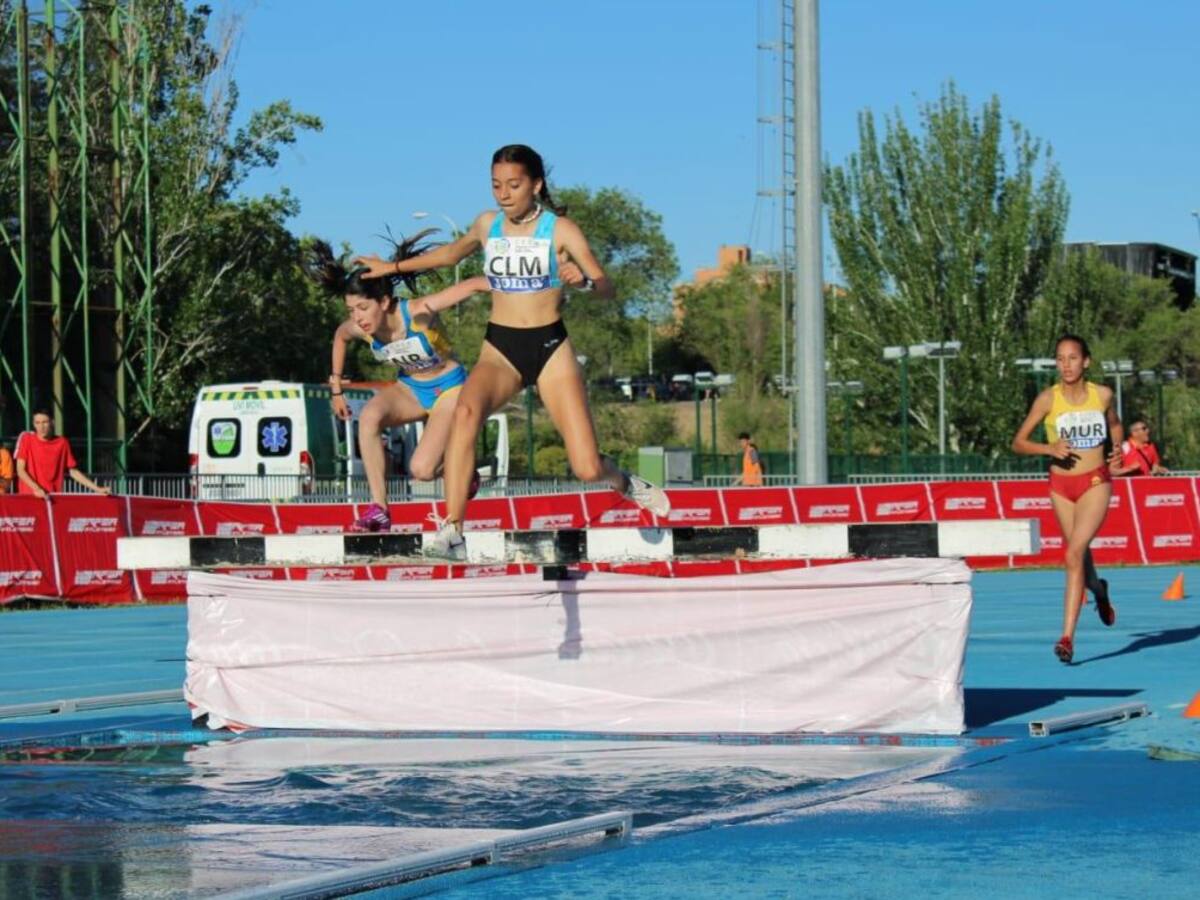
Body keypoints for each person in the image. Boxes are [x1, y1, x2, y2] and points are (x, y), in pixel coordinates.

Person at [355, 144, 669, 558]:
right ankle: (453, 531)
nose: (503, 193)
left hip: (550, 346)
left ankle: (626, 483)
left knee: (586, 467)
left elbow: (606, 287)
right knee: (466, 412)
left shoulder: (561, 230)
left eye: (514, 185)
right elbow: (452, 253)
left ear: (536, 185)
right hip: (500, 347)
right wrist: (392, 269)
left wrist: (584, 282)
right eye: (496, 185)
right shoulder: (489, 225)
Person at [306, 237, 490, 533]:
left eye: (363, 308)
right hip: (411, 389)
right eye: (351, 309)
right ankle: (379, 509)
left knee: (422, 470)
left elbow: (471, 285)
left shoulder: (419, 311)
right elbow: (340, 336)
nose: (357, 318)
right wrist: (336, 387)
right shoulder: (362, 329)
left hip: (449, 389)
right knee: (368, 417)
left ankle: (463, 472)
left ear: (384, 301)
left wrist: (518, 285)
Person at [1012, 334, 1122, 664]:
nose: (1066, 364)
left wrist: (1117, 449)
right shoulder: (1048, 399)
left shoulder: (1102, 395)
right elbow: (1018, 442)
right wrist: (1049, 448)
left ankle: (1066, 638)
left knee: (1072, 552)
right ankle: (1099, 590)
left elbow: (1115, 426)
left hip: (1094, 481)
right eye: (1060, 359)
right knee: (1079, 560)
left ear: (1086, 361)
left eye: (1073, 358)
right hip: (1061, 486)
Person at [15, 409, 111, 499]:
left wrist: (97, 488)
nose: (41, 426)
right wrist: (36, 488)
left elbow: (73, 472)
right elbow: (20, 470)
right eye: (38, 423)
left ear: (52, 422)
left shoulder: (62, 443)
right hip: (29, 498)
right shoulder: (27, 439)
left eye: (45, 422)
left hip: (52, 498)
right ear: (33, 424)